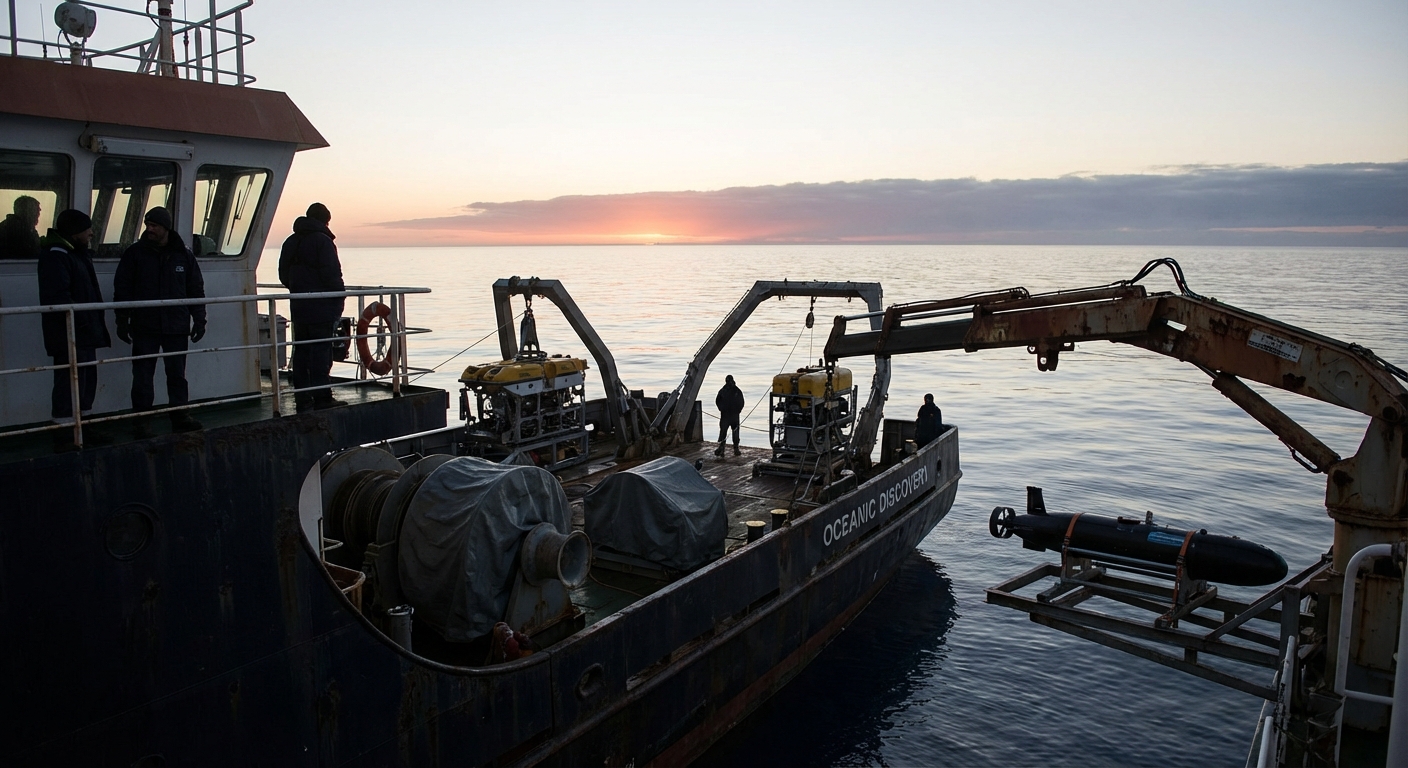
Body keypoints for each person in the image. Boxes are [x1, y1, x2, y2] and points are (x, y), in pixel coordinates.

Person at [113, 206, 206, 434]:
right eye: (148, 225)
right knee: (143, 377)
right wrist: (122, 320)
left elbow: (195, 288)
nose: (150, 229)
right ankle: (142, 422)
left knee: (177, 376)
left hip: (176, 326)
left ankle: (180, 417)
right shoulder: (135, 254)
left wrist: (200, 319)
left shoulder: (184, 255)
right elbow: (122, 288)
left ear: (165, 227)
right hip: (145, 326)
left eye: (154, 225)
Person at [37, 209, 111, 445]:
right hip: (69, 333)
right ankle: (64, 432)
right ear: (73, 232)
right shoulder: (57, 256)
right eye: (86, 229)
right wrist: (83, 321)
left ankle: (84, 427)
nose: (91, 232)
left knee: (86, 381)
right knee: (68, 382)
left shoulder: (75, 254)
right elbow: (58, 296)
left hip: (85, 331)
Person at [278, 202, 346, 411]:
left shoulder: (291, 241)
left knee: (301, 352)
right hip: (321, 307)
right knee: (321, 353)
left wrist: (299, 289)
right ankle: (322, 398)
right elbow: (332, 275)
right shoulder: (323, 242)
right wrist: (338, 299)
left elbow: (283, 275)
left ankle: (302, 398)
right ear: (325, 220)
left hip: (299, 307)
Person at [715, 374, 745, 457]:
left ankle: (726, 448)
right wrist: (738, 410)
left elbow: (717, 401)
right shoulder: (736, 391)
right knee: (731, 431)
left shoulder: (724, 390)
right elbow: (741, 402)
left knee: (725, 431)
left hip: (728, 415)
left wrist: (722, 409)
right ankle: (733, 449)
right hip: (731, 415)